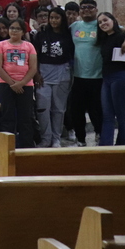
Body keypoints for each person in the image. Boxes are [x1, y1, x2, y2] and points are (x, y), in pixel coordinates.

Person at [32, 8, 74, 147]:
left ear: (62, 19)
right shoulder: (41, 34)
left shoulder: (68, 35)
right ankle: (46, 138)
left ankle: (56, 138)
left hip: (62, 73)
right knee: (42, 108)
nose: (54, 20)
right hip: (43, 74)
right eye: (51, 18)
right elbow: (35, 55)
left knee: (59, 109)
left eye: (57, 18)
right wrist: (36, 73)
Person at [0, 18, 37, 148]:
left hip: (26, 86)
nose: (14, 31)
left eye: (17, 29)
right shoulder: (1, 45)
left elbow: (33, 68)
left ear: (23, 31)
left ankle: (26, 148)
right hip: (6, 85)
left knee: (26, 118)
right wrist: (12, 84)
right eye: (12, 28)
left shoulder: (29, 46)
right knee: (7, 117)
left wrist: (21, 83)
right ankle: (6, 148)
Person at [69, 0, 104, 146]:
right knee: (77, 110)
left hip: (98, 76)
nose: (86, 10)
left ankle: (99, 133)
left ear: (96, 9)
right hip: (78, 76)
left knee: (96, 109)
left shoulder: (101, 25)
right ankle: (81, 138)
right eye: (83, 8)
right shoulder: (74, 26)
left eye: (90, 7)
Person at [97, 12, 125, 146]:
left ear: (113, 20)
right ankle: (106, 146)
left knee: (121, 114)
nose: (103, 24)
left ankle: (121, 146)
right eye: (100, 22)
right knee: (107, 114)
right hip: (106, 78)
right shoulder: (104, 38)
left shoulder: (122, 36)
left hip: (119, 76)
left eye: (105, 20)